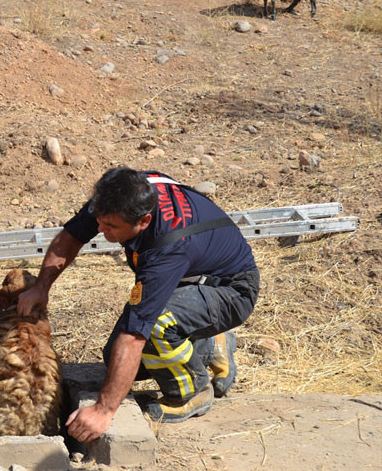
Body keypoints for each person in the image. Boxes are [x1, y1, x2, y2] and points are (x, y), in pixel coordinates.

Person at [18, 167, 260, 441]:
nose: (99, 229)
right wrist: (41, 287)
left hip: (230, 290)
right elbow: (72, 236)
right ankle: (208, 345)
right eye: (99, 220)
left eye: (110, 227)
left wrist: (104, 410)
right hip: (192, 278)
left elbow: (134, 336)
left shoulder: (166, 248)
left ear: (143, 221)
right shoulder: (121, 193)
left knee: (154, 328)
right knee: (116, 360)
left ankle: (191, 392)